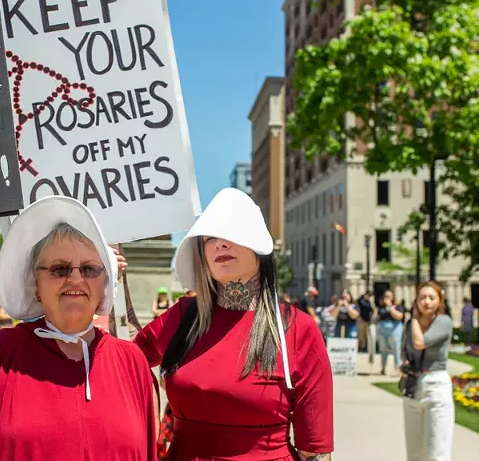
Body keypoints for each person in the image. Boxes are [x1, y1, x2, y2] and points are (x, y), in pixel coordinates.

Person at [0, 196, 156, 461]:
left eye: (89, 269)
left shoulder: (131, 361)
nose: (75, 278)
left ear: (105, 283)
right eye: (59, 268)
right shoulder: (2, 353)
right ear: (36, 285)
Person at [134, 188, 333, 460]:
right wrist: (109, 281)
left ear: (259, 246)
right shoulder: (182, 316)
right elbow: (124, 360)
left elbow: (314, 449)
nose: (220, 244)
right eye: (210, 237)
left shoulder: (298, 328)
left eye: (232, 233)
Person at [401, 280, 454, 461]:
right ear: (416, 300)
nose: (427, 302)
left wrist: (415, 318)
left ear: (440, 301)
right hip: (413, 387)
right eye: (422, 297)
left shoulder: (444, 322)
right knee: (414, 452)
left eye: (432, 297)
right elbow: (405, 351)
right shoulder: (409, 325)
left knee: (437, 452)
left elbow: (420, 342)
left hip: (436, 386)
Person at [377, 289, 405, 375]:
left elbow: (399, 316)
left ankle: (397, 369)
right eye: (385, 296)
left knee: (396, 349)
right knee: (383, 349)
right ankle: (383, 368)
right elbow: (377, 316)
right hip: (382, 329)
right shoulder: (381, 307)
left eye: (389, 296)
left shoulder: (398, 306)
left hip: (394, 329)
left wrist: (390, 307)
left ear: (393, 297)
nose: (387, 298)